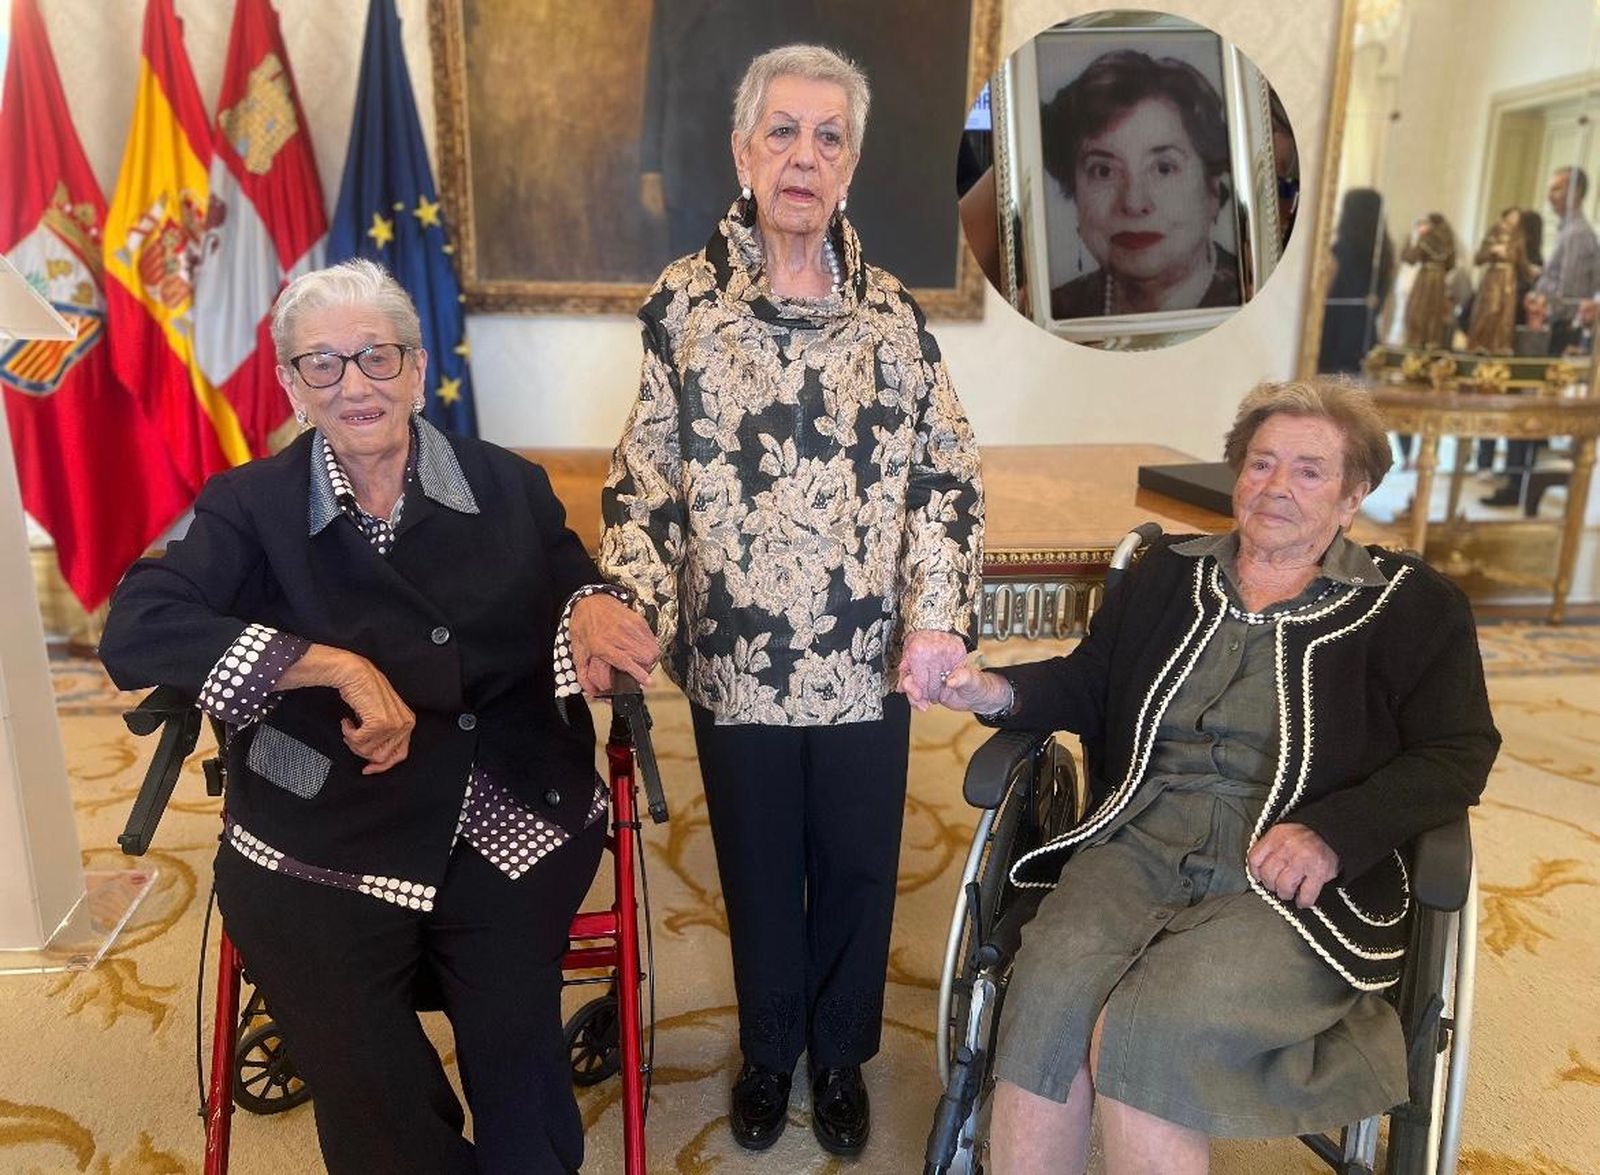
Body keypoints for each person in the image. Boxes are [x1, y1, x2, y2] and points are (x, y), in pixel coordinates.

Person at [98, 260, 660, 1175]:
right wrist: (330, 666)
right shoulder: (252, 507)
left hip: (502, 803)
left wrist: (592, 601)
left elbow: (570, 576)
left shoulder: (507, 485)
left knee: (514, 1033)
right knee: (356, 1055)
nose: (354, 384)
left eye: (376, 357)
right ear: (289, 382)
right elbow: (141, 623)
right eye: (322, 363)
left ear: (418, 365)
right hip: (321, 821)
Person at [927, 379, 1499, 1175]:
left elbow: (1457, 751)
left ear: (1353, 494)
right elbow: (1095, 681)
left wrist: (1336, 835)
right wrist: (997, 689)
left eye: (1308, 470)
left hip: (1289, 870)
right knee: (1047, 996)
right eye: (1261, 463)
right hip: (1139, 834)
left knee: (1147, 1026)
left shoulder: (1413, 607)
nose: (1276, 486)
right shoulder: (1167, 573)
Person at [599, 43, 984, 1158]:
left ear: (850, 165)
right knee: (761, 862)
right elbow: (648, 474)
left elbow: (945, 473)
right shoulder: (681, 303)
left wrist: (936, 614)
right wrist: (630, 603)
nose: (802, 156)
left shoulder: (894, 317)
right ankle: (770, 1049)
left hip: (865, 662)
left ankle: (840, 1054)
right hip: (736, 655)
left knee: (862, 864)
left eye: (827, 137)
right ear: (743, 151)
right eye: (783, 131)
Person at [1041, 49, 1239, 320]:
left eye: (1163, 168)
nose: (1134, 203)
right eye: (1103, 170)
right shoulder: (1052, 311)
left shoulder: (1260, 297)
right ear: (1074, 192)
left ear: (1213, 190)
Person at [1318, 188, 1395, 372]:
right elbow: (1384, 309)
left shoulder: (1337, 255)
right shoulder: (1384, 258)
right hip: (1366, 344)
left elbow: (1320, 301)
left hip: (1332, 345)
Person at [1467, 206, 1537, 353]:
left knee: (1506, 315)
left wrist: (1531, 272)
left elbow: (1522, 261)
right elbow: (1479, 258)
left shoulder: (1518, 237)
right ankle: (1480, 344)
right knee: (1490, 310)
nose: (1515, 220)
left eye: (1517, 217)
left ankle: (1499, 345)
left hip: (1509, 279)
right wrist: (1493, 251)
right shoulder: (1493, 234)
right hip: (1494, 278)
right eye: (1512, 216)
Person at [1400, 211, 1458, 349]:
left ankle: (1416, 340)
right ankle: (1432, 342)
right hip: (1440, 280)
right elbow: (1451, 264)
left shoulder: (1426, 238)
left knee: (1419, 308)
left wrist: (1410, 242)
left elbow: (1411, 258)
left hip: (1425, 277)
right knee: (1435, 311)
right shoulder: (1448, 240)